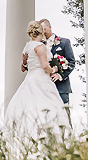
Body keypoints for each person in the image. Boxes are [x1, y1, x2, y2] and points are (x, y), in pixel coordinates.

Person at [4, 20, 68, 150]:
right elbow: (45, 66)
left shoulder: (27, 47)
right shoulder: (40, 47)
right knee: (47, 107)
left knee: (29, 107)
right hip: (41, 79)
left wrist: (23, 62)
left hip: (30, 78)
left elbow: (23, 68)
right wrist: (54, 70)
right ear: (41, 32)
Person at [22, 18, 75, 105]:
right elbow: (34, 65)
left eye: (44, 29)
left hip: (61, 87)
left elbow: (71, 63)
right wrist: (25, 63)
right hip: (41, 86)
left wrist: (59, 75)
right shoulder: (37, 45)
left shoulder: (64, 42)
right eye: (41, 30)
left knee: (62, 114)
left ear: (50, 27)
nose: (43, 32)